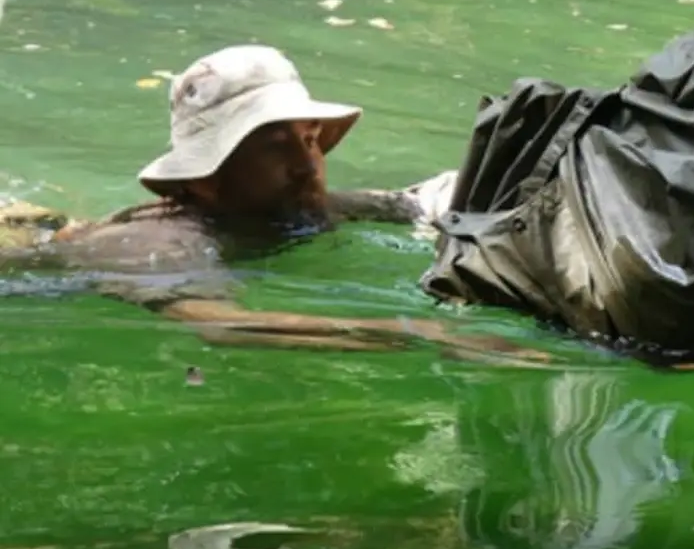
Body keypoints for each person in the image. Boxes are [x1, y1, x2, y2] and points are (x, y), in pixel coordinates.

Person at [0, 44, 536, 365]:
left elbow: (417, 201)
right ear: (206, 178)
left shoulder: (287, 204)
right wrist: (423, 333)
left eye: (308, 139)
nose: (308, 165)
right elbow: (222, 324)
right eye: (273, 147)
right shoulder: (164, 247)